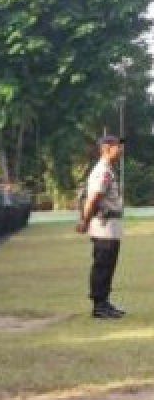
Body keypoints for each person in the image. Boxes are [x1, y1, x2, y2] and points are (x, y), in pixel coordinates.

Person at [77, 135, 126, 319]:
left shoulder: (108, 170)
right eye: (117, 147)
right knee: (102, 265)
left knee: (108, 265)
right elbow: (94, 199)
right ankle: (99, 306)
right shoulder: (102, 171)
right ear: (106, 148)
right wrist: (85, 221)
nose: (120, 150)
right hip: (103, 225)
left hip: (110, 226)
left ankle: (104, 302)